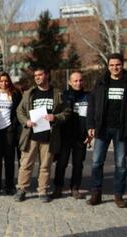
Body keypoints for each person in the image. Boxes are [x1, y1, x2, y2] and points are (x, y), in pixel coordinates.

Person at [14, 68, 70, 203]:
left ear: (47, 75)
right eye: (35, 75)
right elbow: (19, 111)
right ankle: (21, 189)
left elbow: (67, 111)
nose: (37, 77)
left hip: (49, 136)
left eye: (40, 74)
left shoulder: (57, 93)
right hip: (31, 135)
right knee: (26, 164)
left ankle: (43, 191)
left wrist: (55, 117)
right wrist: (26, 122)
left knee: (45, 165)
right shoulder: (29, 93)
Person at [87, 53, 127, 207]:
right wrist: (90, 125)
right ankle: (96, 193)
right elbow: (92, 105)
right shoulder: (102, 82)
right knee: (96, 162)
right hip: (102, 129)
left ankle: (118, 195)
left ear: (122, 65)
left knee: (121, 164)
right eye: (111, 65)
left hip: (122, 130)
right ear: (108, 66)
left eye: (117, 64)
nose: (114, 67)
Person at [51, 72, 91, 199]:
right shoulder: (63, 95)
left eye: (80, 80)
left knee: (78, 164)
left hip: (81, 136)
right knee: (61, 163)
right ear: (69, 82)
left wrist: (90, 134)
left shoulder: (88, 97)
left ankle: (75, 188)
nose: (78, 83)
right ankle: (58, 187)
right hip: (64, 136)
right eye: (75, 81)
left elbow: (92, 116)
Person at [0, 72, 22, 195]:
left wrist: (14, 126)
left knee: (9, 159)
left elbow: (18, 111)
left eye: (6, 81)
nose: (4, 83)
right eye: (1, 81)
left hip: (9, 129)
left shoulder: (15, 94)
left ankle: (9, 186)